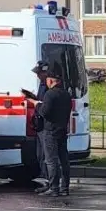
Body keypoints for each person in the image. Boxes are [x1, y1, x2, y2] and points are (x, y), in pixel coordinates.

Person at [36, 65, 72, 198]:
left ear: (50, 80)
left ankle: (54, 188)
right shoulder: (66, 94)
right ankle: (65, 188)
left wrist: (37, 104)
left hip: (50, 131)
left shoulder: (50, 94)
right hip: (62, 130)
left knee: (51, 160)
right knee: (64, 160)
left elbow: (44, 112)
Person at [22, 62, 50, 185]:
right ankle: (45, 177)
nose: (38, 76)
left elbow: (44, 106)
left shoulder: (48, 87)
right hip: (40, 124)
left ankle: (49, 180)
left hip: (45, 124)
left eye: (39, 73)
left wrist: (33, 101)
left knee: (46, 154)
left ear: (45, 72)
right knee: (40, 154)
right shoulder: (42, 85)